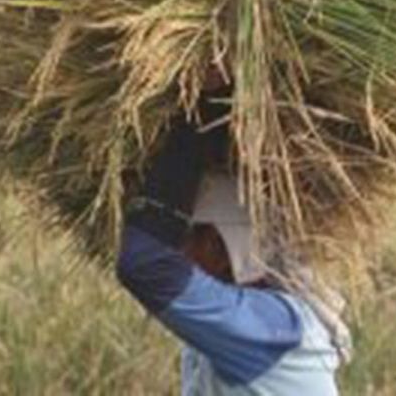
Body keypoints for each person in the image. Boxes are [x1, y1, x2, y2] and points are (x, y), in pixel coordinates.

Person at [116, 91, 349, 395]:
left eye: (181, 237)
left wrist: (200, 112)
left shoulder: (268, 327)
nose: (172, 251)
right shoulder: (235, 323)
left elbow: (143, 262)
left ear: (218, 244)